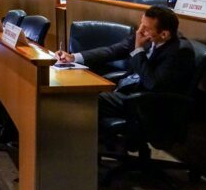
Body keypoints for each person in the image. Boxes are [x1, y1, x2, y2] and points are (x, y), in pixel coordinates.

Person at [56, 7, 195, 122]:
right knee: (80, 91)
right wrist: (73, 57)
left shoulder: (179, 52)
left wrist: (138, 50)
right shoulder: (146, 35)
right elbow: (112, 51)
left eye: (146, 28)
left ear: (164, 34)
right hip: (127, 89)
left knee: (86, 99)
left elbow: (153, 84)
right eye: (141, 23)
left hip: (145, 102)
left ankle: (83, 149)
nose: (139, 31)